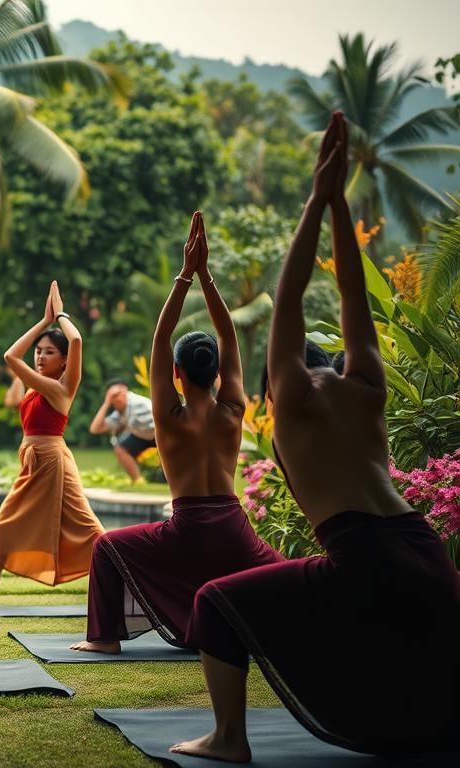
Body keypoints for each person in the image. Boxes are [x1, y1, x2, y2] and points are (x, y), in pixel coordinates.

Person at [173, 113, 460, 761]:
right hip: (427, 553)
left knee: (216, 602)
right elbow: (354, 301)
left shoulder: (294, 403)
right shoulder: (366, 392)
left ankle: (227, 739)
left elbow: (289, 294)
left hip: (365, 558)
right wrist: (337, 207)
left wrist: (317, 200)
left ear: (279, 384)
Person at [70, 212, 282, 656]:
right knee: (294, 580)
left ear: (175, 373)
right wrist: (207, 277)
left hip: (186, 531)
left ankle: (104, 639)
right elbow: (229, 333)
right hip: (232, 530)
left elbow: (162, 335)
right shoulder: (232, 410)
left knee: (108, 546)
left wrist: (186, 274)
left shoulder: (168, 415)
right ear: (218, 372)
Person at [0, 282, 104, 606]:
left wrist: (58, 315)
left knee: (88, 529)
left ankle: (131, 583)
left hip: (52, 461)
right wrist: (42, 322)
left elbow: (62, 343)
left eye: (49, 351)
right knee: (7, 521)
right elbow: (15, 356)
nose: (40, 355)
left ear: (65, 361)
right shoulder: (33, 388)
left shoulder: (60, 388)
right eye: (39, 350)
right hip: (34, 462)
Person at [89, 379, 156, 483]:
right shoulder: (121, 412)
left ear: (126, 392)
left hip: (160, 433)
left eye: (118, 394)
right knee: (120, 449)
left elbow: (162, 421)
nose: (116, 399)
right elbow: (95, 429)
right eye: (112, 397)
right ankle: (138, 481)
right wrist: (107, 403)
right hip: (142, 436)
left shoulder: (138, 404)